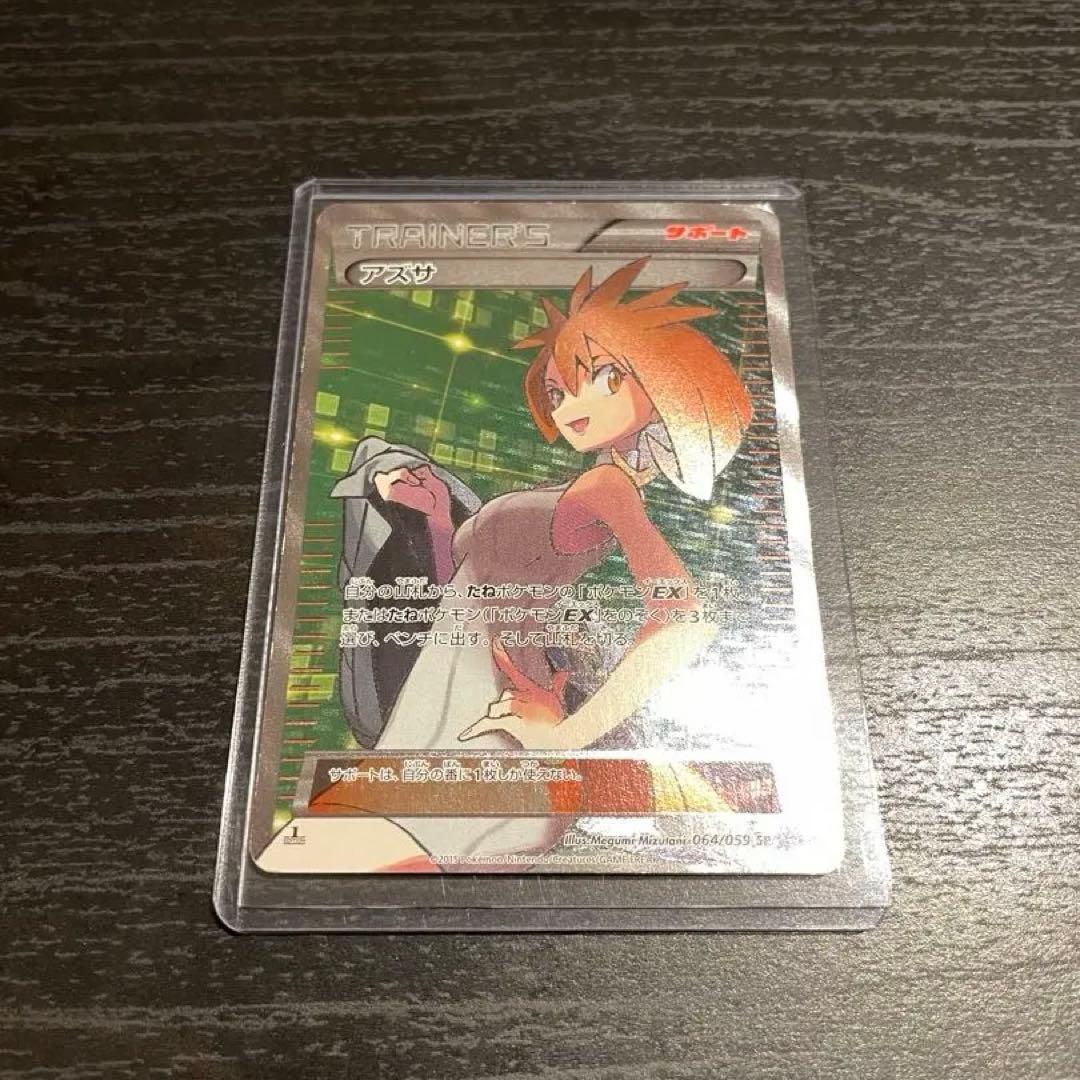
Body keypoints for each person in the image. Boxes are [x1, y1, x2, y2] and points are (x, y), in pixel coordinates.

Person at [306, 257, 753, 872]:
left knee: (343, 858)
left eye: (603, 377)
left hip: (488, 715)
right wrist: (436, 515)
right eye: (558, 390)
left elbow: (682, 620)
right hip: (449, 697)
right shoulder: (588, 487)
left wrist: (564, 736)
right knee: (333, 856)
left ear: (663, 381)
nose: (570, 406)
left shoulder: (608, 490)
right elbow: (474, 587)